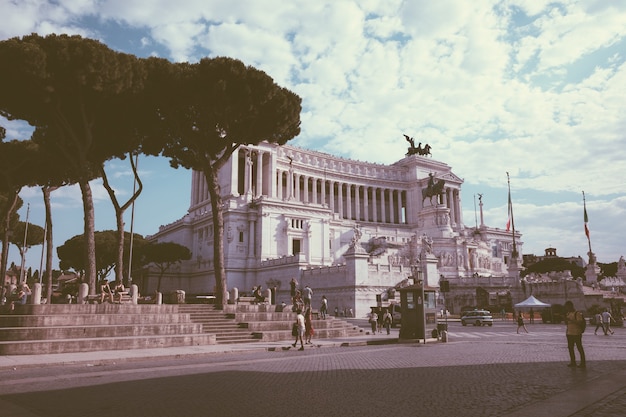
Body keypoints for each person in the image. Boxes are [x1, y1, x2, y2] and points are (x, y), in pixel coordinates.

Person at [564, 300, 586, 368]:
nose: (567, 308)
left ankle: (583, 363)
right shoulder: (568, 313)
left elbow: (579, 322)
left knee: (579, 348)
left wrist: (571, 320)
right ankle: (573, 362)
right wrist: (566, 320)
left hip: (577, 333)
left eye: (567, 307)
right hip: (569, 333)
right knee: (570, 348)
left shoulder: (577, 313)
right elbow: (567, 324)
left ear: (571, 306)